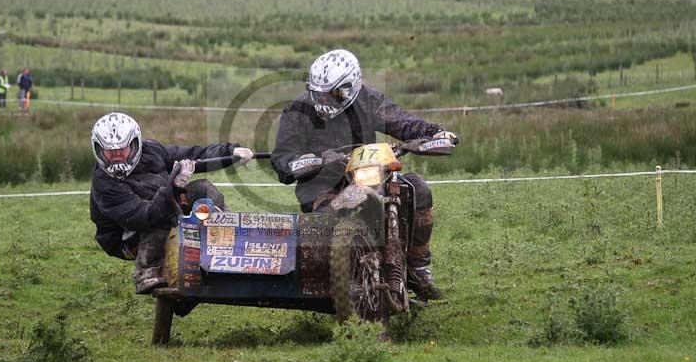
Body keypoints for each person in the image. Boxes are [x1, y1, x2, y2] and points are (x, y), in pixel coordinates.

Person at [271, 49, 459, 300]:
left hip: (367, 173)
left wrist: (434, 133)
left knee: (417, 189)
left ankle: (418, 267)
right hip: (321, 184)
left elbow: (402, 122)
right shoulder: (297, 111)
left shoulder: (368, 100)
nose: (325, 100)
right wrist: (309, 161)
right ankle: (331, 279)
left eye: (334, 93)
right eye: (319, 94)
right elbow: (282, 158)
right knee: (325, 221)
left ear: (352, 86)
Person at [89, 112, 254, 294]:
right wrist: (175, 184)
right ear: (98, 149)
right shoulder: (104, 184)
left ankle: (230, 245)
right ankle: (146, 273)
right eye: (110, 151)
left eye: (122, 149)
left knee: (204, 189)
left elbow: (195, 155)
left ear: (135, 144)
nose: (117, 155)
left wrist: (231, 152)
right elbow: (145, 217)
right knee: (162, 218)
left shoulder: (152, 151)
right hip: (124, 236)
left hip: (159, 205)